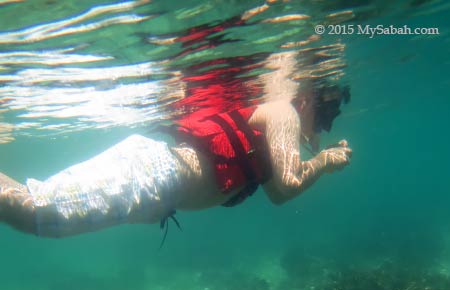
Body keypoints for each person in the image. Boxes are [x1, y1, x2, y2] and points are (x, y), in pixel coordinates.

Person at [0, 83, 352, 238]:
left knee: (38, 211)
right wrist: (323, 160)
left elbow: (277, 193)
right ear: (305, 98)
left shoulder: (283, 120)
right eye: (326, 113)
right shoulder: (285, 111)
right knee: (38, 213)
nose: (325, 124)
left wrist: (320, 159)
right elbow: (290, 183)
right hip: (155, 172)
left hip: (159, 183)